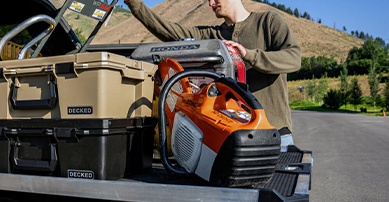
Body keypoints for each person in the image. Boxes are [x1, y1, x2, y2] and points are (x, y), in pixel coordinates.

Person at [125, 0, 300, 147]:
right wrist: (135, 5)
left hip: (275, 134)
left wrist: (249, 55)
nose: (210, 3)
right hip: (231, 139)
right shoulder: (211, 36)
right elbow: (171, 32)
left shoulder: (269, 21)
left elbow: (293, 58)